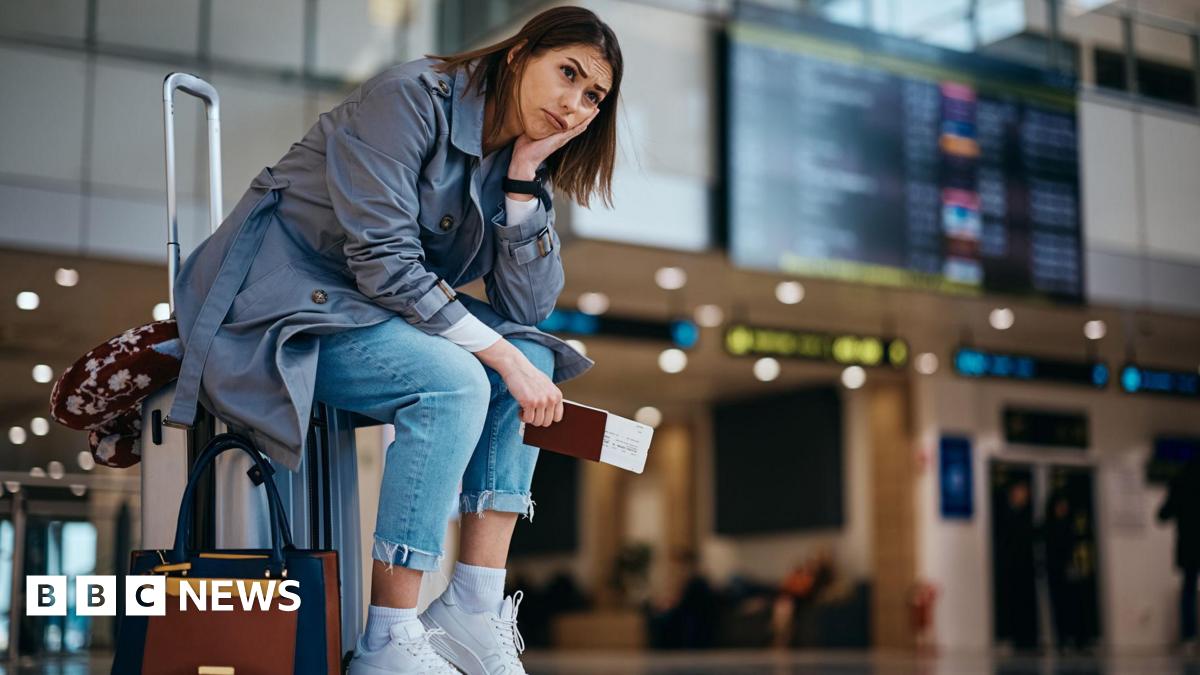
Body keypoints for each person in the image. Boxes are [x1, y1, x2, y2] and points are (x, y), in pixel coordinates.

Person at [167, 6, 622, 673]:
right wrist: (492, 354)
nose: (575, 103)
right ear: (521, 52)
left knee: (531, 352)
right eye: (568, 73)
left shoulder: (517, 158)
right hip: (274, 302)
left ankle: (471, 604)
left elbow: (528, 305)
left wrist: (524, 180)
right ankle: (389, 637)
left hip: (362, 308)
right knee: (458, 379)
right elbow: (383, 260)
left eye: (593, 96)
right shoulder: (408, 96)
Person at [1159, 457, 1200, 651]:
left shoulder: (1180, 484)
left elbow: (1162, 515)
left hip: (1188, 544)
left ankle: (1189, 637)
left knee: (1188, 589)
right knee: (1189, 589)